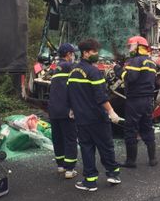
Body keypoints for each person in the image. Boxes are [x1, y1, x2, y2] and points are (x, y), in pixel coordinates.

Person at [67, 38, 122, 191]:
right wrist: (111, 112)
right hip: (97, 118)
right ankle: (113, 174)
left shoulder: (73, 71)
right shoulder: (93, 71)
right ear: (85, 53)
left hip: (82, 120)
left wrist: (72, 109)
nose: (97, 54)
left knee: (87, 149)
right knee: (106, 146)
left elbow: (70, 94)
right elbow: (101, 96)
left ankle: (90, 182)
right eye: (94, 52)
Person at [114, 36, 157, 168]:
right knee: (147, 127)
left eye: (131, 46)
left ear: (138, 46)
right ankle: (153, 159)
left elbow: (130, 78)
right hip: (148, 100)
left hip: (135, 100)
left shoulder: (135, 61)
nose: (129, 49)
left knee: (130, 129)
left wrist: (117, 70)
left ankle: (131, 161)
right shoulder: (151, 62)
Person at [48, 43, 78, 179]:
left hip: (53, 110)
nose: (73, 56)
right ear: (68, 54)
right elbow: (73, 89)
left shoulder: (56, 68)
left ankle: (61, 166)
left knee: (58, 138)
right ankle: (70, 169)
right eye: (72, 54)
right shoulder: (69, 67)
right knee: (70, 139)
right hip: (66, 110)